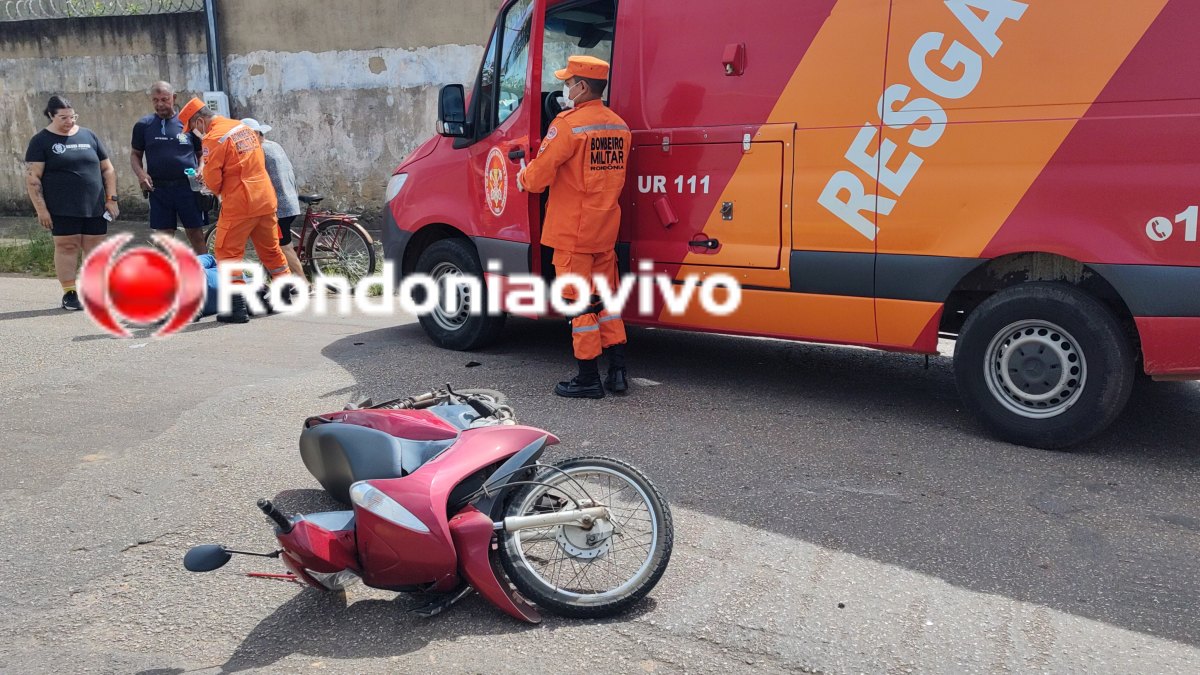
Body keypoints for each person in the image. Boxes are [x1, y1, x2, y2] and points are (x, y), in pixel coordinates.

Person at [516, 55, 631, 399]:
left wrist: (523, 176)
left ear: (581, 86)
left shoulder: (567, 125)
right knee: (606, 301)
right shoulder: (619, 127)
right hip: (605, 229)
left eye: (568, 83)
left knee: (578, 305)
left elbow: (538, 177)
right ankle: (618, 372)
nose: (565, 89)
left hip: (572, 232)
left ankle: (587, 378)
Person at [178, 97, 290, 323]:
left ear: (199, 122)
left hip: (240, 202)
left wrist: (206, 183)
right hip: (265, 198)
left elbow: (213, 181)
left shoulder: (214, 137)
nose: (194, 133)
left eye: (192, 128)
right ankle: (285, 295)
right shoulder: (243, 128)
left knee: (227, 254)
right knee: (270, 250)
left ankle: (236, 308)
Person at [24, 95, 119, 311]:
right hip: (61, 207)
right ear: (50, 116)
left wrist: (111, 198)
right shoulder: (41, 141)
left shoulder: (89, 135)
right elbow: (33, 179)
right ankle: (70, 293)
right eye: (63, 118)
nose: (70, 122)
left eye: (72, 117)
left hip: (94, 205)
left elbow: (108, 169)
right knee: (67, 246)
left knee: (95, 248)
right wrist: (42, 210)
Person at [130, 81, 207, 254]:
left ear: (174, 98)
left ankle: (205, 273)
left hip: (188, 188)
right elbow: (135, 154)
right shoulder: (144, 125)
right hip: (159, 190)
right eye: (155, 100)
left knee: (195, 233)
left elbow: (201, 153)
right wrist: (141, 174)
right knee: (164, 236)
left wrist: (201, 169)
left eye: (164, 99)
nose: (160, 104)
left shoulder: (188, 123)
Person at [241, 118, 305, 276]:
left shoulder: (260, 150)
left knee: (284, 247)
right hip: (291, 200)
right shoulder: (274, 145)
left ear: (255, 134)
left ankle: (304, 283)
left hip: (280, 207)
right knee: (269, 243)